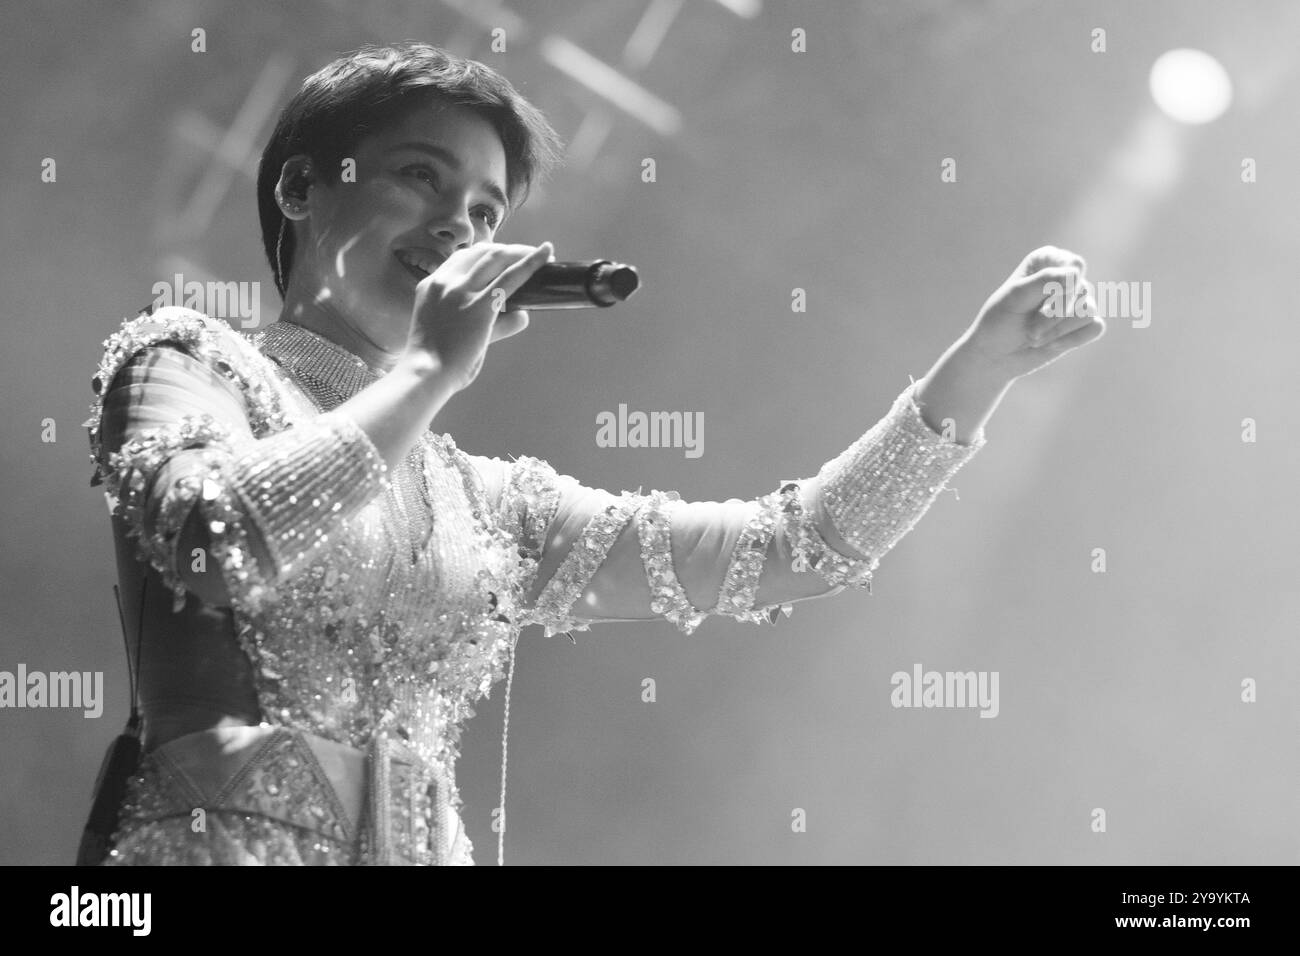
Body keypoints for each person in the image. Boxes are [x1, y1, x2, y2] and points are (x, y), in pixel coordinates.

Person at [83, 41, 1104, 866]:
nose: (458, 226)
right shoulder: (187, 359)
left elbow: (794, 545)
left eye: (485, 213)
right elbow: (212, 540)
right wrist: (429, 373)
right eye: (418, 176)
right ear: (302, 186)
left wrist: (975, 374)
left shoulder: (485, 504)